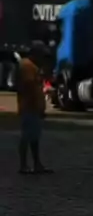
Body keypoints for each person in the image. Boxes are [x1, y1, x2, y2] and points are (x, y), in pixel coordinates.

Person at [16, 42, 53, 175]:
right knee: (27, 136)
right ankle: (24, 165)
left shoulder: (30, 66)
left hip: (32, 107)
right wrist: (37, 106)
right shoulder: (27, 66)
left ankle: (37, 163)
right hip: (29, 107)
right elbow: (30, 86)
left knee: (34, 137)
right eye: (41, 55)